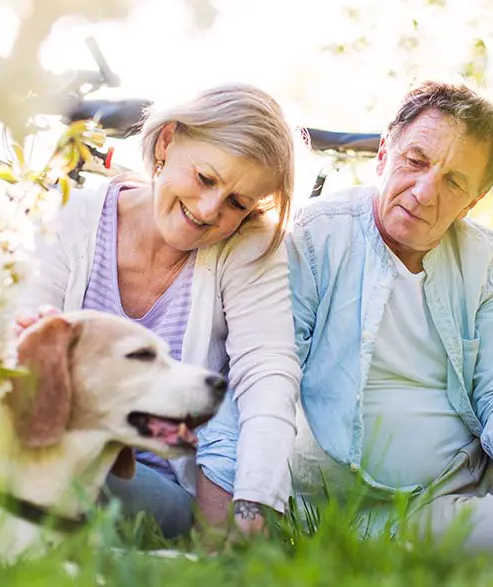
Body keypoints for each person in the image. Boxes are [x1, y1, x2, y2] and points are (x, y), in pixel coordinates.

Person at [197, 81, 493, 551]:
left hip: (483, 455)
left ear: (473, 201)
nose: (425, 191)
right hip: (400, 512)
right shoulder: (314, 238)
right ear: (383, 154)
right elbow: (257, 386)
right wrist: (233, 522)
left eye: (454, 181)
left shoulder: (483, 256)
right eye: (416, 161)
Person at [19, 83, 301, 539]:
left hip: (153, 485)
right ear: (167, 141)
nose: (210, 210)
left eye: (237, 203)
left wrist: (255, 501)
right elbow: (23, 348)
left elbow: (268, 374)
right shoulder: (72, 216)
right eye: (206, 179)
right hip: (47, 452)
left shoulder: (247, 248)